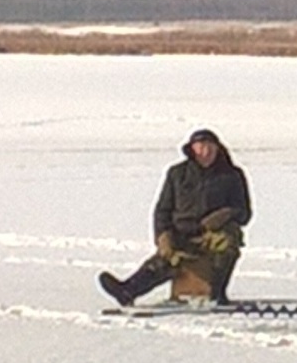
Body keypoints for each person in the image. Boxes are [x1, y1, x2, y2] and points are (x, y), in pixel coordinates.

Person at [98, 128, 252, 306]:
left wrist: (225, 214)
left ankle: (216, 292)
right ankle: (128, 290)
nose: (206, 151)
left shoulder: (232, 175)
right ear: (192, 149)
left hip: (213, 234)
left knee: (228, 239)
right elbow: (163, 210)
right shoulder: (177, 173)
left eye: (210, 147)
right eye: (201, 147)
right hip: (182, 232)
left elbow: (244, 214)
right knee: (167, 258)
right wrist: (162, 235)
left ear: (218, 149)